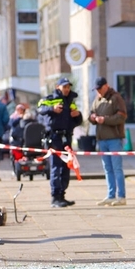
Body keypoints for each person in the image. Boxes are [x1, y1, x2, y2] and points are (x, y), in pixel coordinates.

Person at [38, 77, 83, 207]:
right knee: (56, 167)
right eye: (64, 87)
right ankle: (55, 197)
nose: (67, 89)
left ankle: (62, 195)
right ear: (58, 87)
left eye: (68, 87)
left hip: (67, 138)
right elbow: (40, 110)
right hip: (55, 138)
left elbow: (77, 121)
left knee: (66, 167)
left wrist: (78, 115)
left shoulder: (71, 101)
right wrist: (52, 109)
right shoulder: (50, 99)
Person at [88, 76, 128, 206]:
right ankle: (111, 195)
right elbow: (91, 114)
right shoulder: (97, 100)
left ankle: (121, 197)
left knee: (117, 168)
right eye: (96, 89)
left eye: (100, 88)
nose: (98, 91)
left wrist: (105, 120)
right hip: (102, 139)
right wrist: (92, 118)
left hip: (114, 139)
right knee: (107, 169)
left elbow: (122, 117)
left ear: (106, 86)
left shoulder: (116, 98)